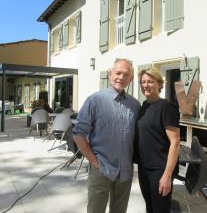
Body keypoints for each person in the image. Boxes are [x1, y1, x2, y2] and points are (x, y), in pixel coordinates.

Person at [73, 58, 140, 213]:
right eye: (118, 73)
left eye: (126, 75)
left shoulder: (135, 105)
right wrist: (94, 162)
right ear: (110, 74)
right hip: (101, 169)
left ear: (130, 79)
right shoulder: (95, 100)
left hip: (125, 172)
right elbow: (78, 134)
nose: (121, 77)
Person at [135, 67, 180, 213]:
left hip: (160, 169)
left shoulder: (167, 107)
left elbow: (175, 143)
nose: (146, 85)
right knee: (149, 207)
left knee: (160, 209)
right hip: (144, 167)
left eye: (150, 81)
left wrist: (167, 175)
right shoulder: (144, 106)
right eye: (143, 82)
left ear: (160, 84)